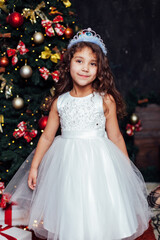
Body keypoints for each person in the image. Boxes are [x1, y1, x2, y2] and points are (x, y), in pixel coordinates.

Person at [4, 28, 151, 240]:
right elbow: (47, 137)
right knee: (71, 205)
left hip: (100, 162)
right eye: (79, 61)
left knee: (98, 203)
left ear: (100, 70)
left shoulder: (105, 99)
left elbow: (116, 136)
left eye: (93, 64)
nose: (85, 68)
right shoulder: (60, 102)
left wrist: (126, 168)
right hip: (68, 163)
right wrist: (35, 166)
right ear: (68, 64)